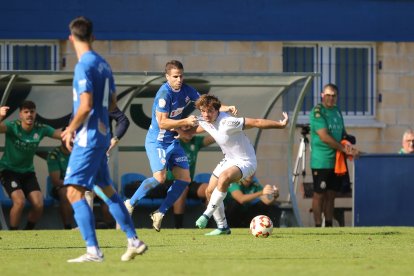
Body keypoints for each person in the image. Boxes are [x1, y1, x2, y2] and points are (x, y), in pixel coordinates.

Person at [62, 16, 146, 263]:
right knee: (107, 191)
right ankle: (133, 240)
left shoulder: (83, 65)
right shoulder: (103, 64)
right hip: (102, 134)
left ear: (70, 39)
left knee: (74, 193)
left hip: (87, 138)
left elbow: (86, 105)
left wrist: (70, 129)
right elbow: (111, 103)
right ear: (93, 37)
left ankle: (93, 251)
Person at [124, 60, 237, 232]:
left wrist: (226, 108)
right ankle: (130, 203)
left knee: (184, 178)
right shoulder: (164, 95)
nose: (179, 79)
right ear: (167, 77)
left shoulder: (186, 89)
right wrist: (185, 121)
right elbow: (162, 123)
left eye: (181, 76)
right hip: (157, 141)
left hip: (172, 141)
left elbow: (205, 104)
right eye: (175, 76)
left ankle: (160, 213)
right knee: (160, 178)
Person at [194, 94, 288, 235]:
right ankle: (223, 227)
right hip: (229, 159)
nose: (206, 114)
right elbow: (193, 126)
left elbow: (256, 122)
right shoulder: (205, 119)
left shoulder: (228, 122)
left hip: (246, 161)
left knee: (224, 178)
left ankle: (206, 214)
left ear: (217, 111)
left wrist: (280, 125)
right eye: (203, 111)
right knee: (208, 191)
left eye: (210, 111)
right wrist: (175, 131)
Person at [0, 101, 61, 230]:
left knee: (39, 204)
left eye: (32, 111)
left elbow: (61, 135)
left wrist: (76, 134)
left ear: (35, 113)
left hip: (28, 173)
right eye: (26, 112)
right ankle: (13, 235)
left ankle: (27, 232)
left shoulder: (41, 128)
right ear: (20, 114)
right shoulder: (12, 126)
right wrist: (0, 116)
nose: (29, 115)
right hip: (9, 171)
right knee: (19, 201)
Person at [309, 83, 359, 227]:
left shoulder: (337, 110)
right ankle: (318, 226)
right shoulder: (317, 111)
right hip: (321, 161)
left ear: (337, 97)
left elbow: (342, 132)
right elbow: (324, 136)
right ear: (322, 95)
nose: (331, 98)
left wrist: (348, 141)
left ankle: (329, 225)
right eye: (328, 95)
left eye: (334, 95)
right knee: (319, 194)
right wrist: (343, 148)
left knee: (331, 194)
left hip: (337, 161)